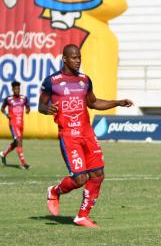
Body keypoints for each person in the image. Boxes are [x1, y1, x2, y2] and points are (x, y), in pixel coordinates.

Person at [38, 44, 133, 228]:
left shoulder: (85, 80)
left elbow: (94, 102)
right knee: (79, 179)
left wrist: (118, 102)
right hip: (69, 136)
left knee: (98, 174)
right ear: (64, 58)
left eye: (79, 57)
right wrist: (47, 109)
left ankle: (82, 216)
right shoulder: (52, 81)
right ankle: (55, 191)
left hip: (87, 134)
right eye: (74, 57)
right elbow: (41, 106)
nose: (78, 60)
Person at [1, 81, 31, 169]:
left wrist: (28, 110)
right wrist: (7, 115)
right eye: (15, 88)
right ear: (12, 89)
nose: (17, 90)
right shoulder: (8, 99)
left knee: (16, 143)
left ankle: (3, 154)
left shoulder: (24, 98)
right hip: (13, 124)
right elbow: (2, 109)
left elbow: (28, 107)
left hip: (21, 124)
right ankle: (23, 163)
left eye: (18, 88)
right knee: (19, 142)